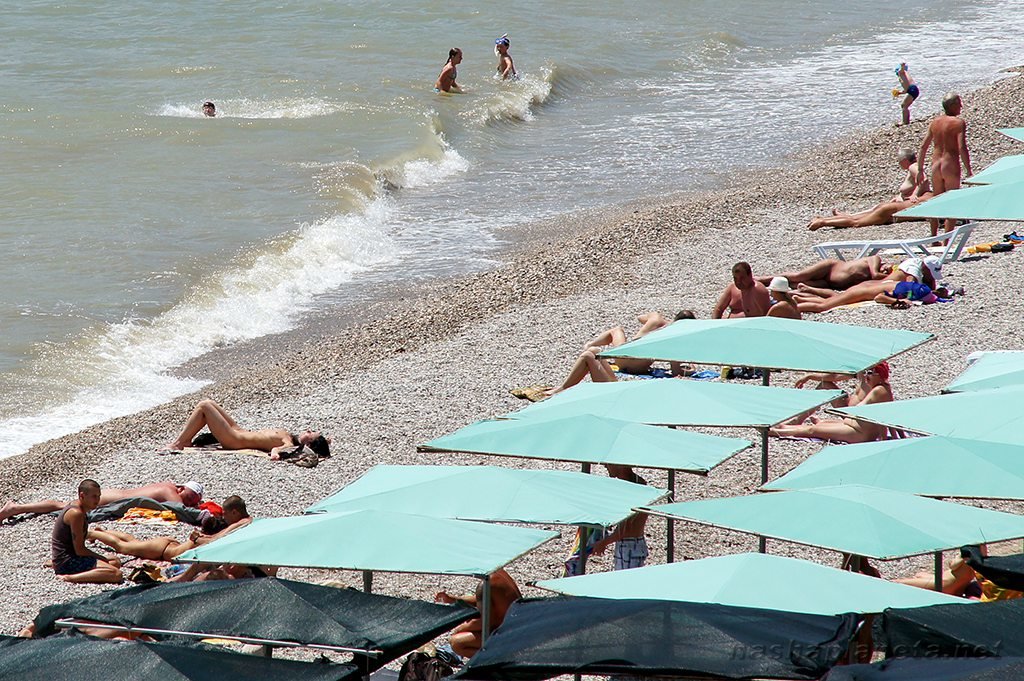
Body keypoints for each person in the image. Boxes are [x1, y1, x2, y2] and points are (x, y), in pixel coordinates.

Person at [544, 310, 696, 396]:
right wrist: (690, 370)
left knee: (615, 332)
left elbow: (640, 317)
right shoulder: (673, 337)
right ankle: (562, 389)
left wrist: (649, 325)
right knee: (591, 354)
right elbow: (676, 371)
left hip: (623, 354)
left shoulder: (656, 319)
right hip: (635, 366)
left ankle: (590, 345)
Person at [88, 495, 252, 562]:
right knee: (123, 547)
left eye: (225, 514)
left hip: (167, 546)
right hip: (162, 550)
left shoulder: (207, 538)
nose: (224, 517)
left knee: (132, 541)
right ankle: (92, 533)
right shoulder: (207, 540)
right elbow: (217, 538)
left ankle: (103, 532)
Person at [807, 149, 932, 230]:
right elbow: (923, 181)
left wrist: (914, 195)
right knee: (856, 222)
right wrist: (914, 195)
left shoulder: (921, 194)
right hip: (890, 210)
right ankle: (823, 222)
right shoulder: (927, 201)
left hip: (891, 208)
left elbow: (924, 179)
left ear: (904, 160)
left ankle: (823, 220)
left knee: (858, 218)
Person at [769, 362, 894, 443]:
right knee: (824, 386)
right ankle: (797, 421)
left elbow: (886, 415)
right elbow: (834, 376)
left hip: (857, 426)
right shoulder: (865, 371)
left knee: (814, 430)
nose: (866, 376)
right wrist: (809, 376)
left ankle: (777, 432)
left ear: (879, 375)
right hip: (853, 420)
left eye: (870, 373)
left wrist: (885, 440)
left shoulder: (879, 389)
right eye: (866, 373)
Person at [166, 399, 330, 458]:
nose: (308, 430)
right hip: (238, 431)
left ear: (308, 444)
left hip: (234, 440)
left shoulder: (289, 443)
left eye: (310, 434)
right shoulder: (289, 436)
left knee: (204, 406)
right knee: (209, 403)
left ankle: (180, 443)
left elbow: (277, 450)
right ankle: (185, 439)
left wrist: (275, 453)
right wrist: (326, 442)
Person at [1, 480, 204, 523]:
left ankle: (18, 508)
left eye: (194, 501)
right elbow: (179, 508)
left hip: (113, 494)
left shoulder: (167, 485)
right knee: (64, 506)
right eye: (190, 497)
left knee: (63, 505)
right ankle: (15, 508)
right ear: (181, 488)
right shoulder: (171, 491)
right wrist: (198, 512)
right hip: (112, 499)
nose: (190, 502)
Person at [793, 256, 940, 314]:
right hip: (860, 291)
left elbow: (927, 285)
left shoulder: (903, 285)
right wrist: (897, 301)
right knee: (823, 306)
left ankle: (798, 298)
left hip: (863, 287)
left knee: (834, 298)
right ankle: (792, 308)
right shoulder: (907, 281)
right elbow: (879, 297)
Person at [917, 92, 972, 235]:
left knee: (936, 201)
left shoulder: (935, 122)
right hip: (950, 164)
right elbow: (962, 147)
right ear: (952, 106)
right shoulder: (958, 123)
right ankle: (946, 240)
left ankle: (933, 237)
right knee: (951, 203)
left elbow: (923, 147)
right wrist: (968, 170)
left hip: (935, 165)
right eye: (959, 103)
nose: (961, 106)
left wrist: (920, 169)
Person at [435, 568, 522, 658]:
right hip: (521, 629)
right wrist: (453, 599)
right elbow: (484, 599)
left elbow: (485, 622)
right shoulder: (498, 573)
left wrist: (459, 629)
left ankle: (500, 659)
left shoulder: (485, 584)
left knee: (456, 643)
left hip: (509, 637)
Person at [50, 480, 122, 584]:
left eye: (99, 496)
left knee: (115, 561)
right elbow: (80, 550)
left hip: (67, 557)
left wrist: (102, 559)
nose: (97, 500)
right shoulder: (76, 514)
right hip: (67, 561)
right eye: (94, 496)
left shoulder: (77, 507)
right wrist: (101, 558)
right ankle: (70, 578)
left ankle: (58, 565)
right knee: (116, 574)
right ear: (82, 496)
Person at [590, 466, 650, 570]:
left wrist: (603, 543)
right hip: (634, 544)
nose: (606, 466)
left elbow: (625, 530)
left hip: (629, 546)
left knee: (625, 578)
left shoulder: (630, 488)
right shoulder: (639, 484)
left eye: (608, 463)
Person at [756, 255, 892, 291]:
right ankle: (761, 279)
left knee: (795, 285)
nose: (886, 270)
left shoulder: (874, 280)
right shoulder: (875, 259)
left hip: (832, 284)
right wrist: (889, 276)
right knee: (798, 276)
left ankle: (763, 286)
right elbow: (876, 274)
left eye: (889, 271)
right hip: (831, 268)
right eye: (888, 267)